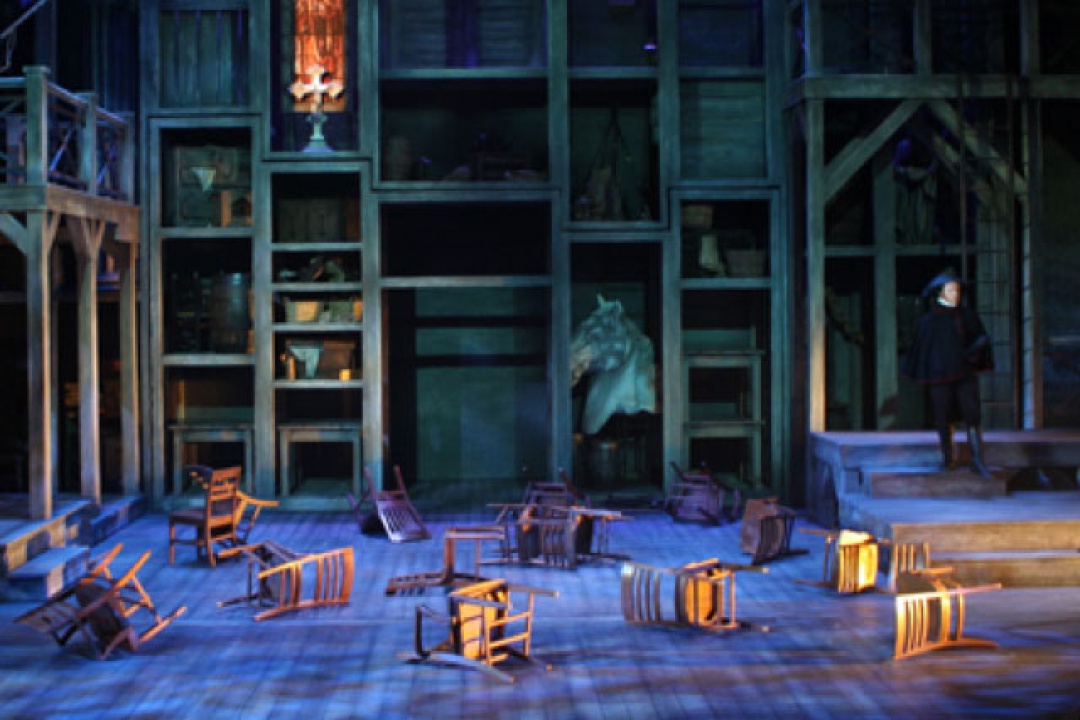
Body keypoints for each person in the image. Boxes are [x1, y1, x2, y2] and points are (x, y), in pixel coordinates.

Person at [901, 268, 994, 476]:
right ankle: (948, 459)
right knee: (943, 417)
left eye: (957, 290)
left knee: (972, 415)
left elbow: (979, 339)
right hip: (940, 376)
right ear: (940, 292)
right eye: (951, 290)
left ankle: (977, 460)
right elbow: (923, 349)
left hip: (965, 374)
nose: (955, 294)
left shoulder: (967, 316)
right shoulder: (929, 321)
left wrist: (975, 352)